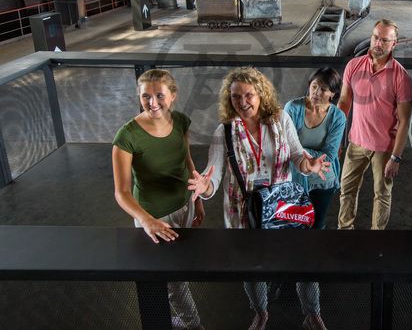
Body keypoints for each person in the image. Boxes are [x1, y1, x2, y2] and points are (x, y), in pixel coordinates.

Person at [187, 67, 329, 330]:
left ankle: (312, 312)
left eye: (249, 95)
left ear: (261, 94)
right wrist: (204, 187)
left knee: (303, 261)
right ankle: (261, 312)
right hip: (244, 212)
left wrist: (309, 166)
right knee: (252, 269)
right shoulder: (224, 132)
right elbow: (214, 178)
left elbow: (298, 157)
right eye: (236, 97)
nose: (242, 102)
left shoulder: (281, 119)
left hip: (281, 207)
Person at [112, 69, 204, 330]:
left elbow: (186, 160)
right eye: (146, 97)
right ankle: (194, 325)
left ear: (173, 96)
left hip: (184, 206)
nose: (153, 103)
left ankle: (169, 319)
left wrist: (197, 199)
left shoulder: (182, 122)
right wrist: (146, 220)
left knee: (179, 268)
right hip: (155, 217)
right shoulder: (126, 137)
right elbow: (122, 193)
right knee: (172, 279)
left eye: (159, 95)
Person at [283, 67, 347, 330]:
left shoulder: (338, 116)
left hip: (324, 181)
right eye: (313, 86)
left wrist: (302, 155)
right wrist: (307, 157)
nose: (316, 92)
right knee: (290, 226)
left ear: (333, 94)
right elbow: (285, 146)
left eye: (323, 89)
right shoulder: (293, 107)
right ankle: (288, 274)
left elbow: (330, 154)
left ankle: (310, 294)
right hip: (293, 180)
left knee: (316, 228)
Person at [337, 19, 412, 230]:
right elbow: (343, 103)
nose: (378, 43)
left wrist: (396, 157)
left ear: (393, 44)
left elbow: (405, 120)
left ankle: (377, 238)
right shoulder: (353, 65)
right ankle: (345, 230)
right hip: (356, 143)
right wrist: (335, 139)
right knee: (347, 190)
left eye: (384, 40)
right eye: (375, 37)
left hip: (384, 149)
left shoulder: (401, 77)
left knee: (382, 194)